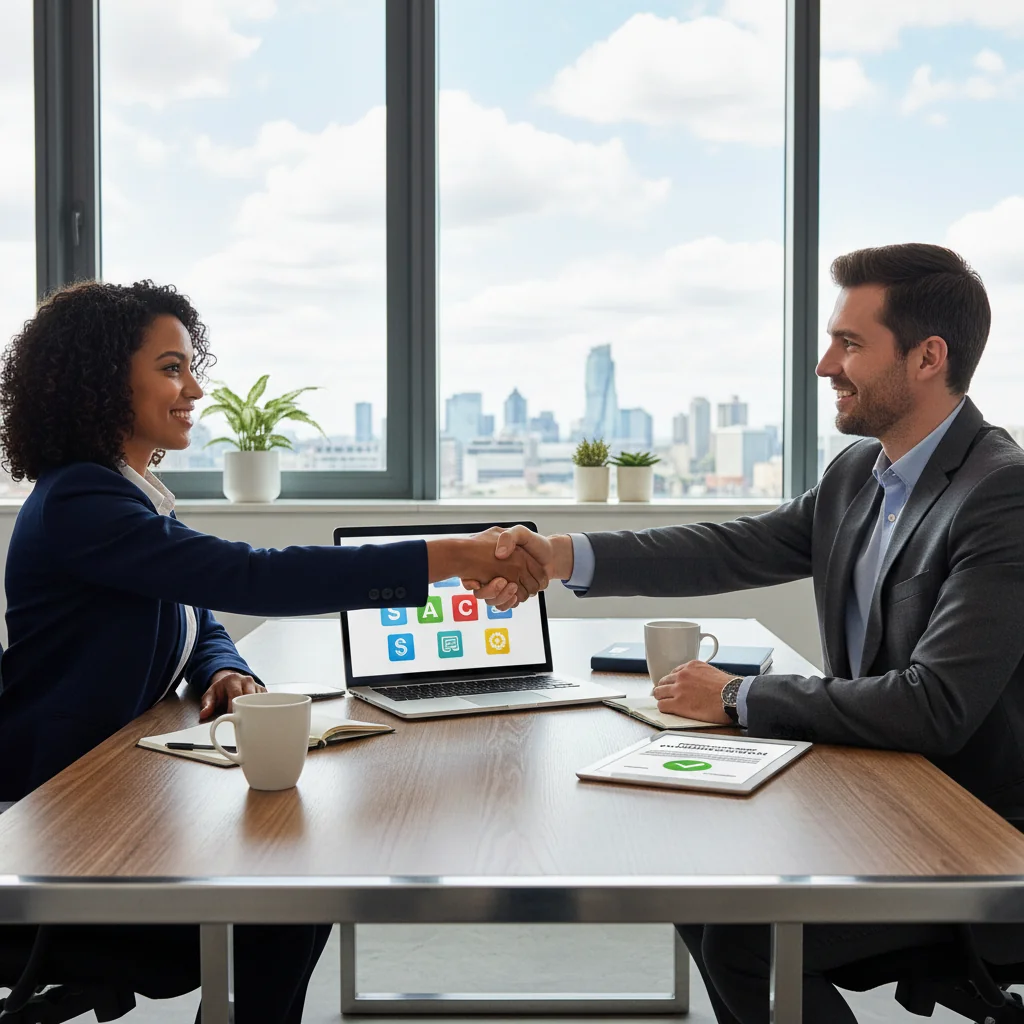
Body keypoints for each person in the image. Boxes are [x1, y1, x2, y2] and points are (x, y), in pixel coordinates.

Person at [469, 243, 1024, 1023]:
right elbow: (730, 546)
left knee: (740, 928)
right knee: (703, 888)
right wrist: (562, 555)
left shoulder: (1001, 493)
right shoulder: (857, 475)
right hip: (878, 793)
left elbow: (935, 705)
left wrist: (735, 696)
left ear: (929, 357)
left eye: (851, 344)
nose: (826, 364)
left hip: (971, 835)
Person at [0, 278, 539, 1022]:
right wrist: (450, 554)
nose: (193, 388)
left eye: (192, 366)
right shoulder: (81, 504)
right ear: (100, 380)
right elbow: (252, 575)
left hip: (121, 796)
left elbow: (195, 605)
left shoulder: (123, 493)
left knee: (295, 870)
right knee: (291, 883)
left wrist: (222, 663)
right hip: (68, 839)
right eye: (169, 368)